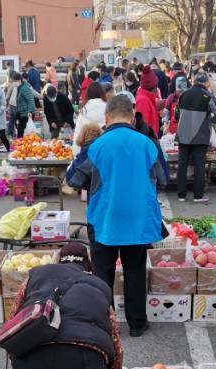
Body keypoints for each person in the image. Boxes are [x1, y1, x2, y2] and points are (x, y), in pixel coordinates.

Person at [68, 94, 167, 338]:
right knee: (135, 270)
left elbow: (73, 179)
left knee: (103, 274)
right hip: (139, 220)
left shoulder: (96, 146)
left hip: (104, 219)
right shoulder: (148, 144)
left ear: (107, 117)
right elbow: (163, 179)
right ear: (132, 117)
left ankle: (107, 325)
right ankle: (137, 323)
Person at [175, 71, 216, 204]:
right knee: (199, 166)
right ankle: (198, 195)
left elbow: (176, 115)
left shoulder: (184, 94)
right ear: (207, 83)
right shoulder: (207, 95)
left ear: (194, 81)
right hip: (200, 136)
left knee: (182, 165)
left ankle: (181, 195)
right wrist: (210, 120)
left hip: (183, 135)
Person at [72, 82, 107, 155]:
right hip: (103, 151)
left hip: (86, 152)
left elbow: (78, 132)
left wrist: (76, 153)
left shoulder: (84, 109)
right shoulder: (108, 108)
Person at [135, 66, 161, 137]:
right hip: (148, 141)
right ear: (154, 87)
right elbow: (143, 128)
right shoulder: (143, 101)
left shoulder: (148, 98)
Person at [13, 72, 37, 139]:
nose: (14, 83)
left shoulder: (24, 88)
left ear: (19, 80)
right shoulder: (20, 87)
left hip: (26, 114)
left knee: (23, 133)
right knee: (21, 132)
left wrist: (30, 111)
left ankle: (22, 146)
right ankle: (21, 146)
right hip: (22, 113)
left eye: (15, 81)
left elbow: (30, 99)